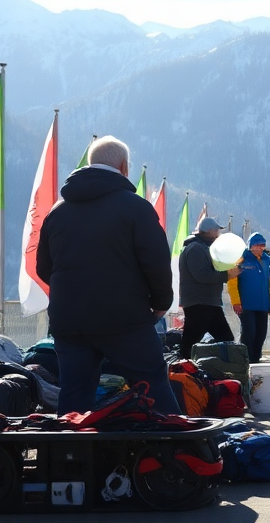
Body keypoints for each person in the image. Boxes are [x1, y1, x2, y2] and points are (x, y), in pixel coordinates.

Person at [36, 135, 180, 414]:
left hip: (70, 321)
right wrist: (161, 302)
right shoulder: (136, 208)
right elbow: (156, 262)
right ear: (124, 167)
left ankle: (69, 455)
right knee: (153, 387)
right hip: (125, 319)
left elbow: (44, 267)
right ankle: (175, 454)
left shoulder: (57, 211)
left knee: (74, 397)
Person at [178, 217, 240, 359]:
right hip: (199, 303)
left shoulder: (203, 248)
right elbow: (202, 275)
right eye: (216, 230)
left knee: (225, 339)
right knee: (191, 343)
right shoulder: (195, 249)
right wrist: (227, 275)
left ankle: (218, 371)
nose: (218, 233)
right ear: (208, 231)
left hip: (209, 303)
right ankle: (182, 373)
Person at [228, 232, 270, 364]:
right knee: (249, 332)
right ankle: (244, 360)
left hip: (263, 304)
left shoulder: (267, 260)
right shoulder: (241, 260)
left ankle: (256, 359)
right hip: (246, 305)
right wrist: (236, 302)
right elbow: (232, 283)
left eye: (263, 245)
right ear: (251, 246)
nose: (261, 248)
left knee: (261, 333)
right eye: (258, 245)